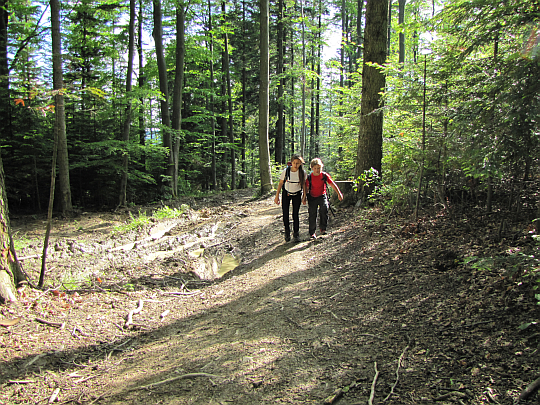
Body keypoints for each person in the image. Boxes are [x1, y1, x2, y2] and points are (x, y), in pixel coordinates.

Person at [304, 158, 343, 239]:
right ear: (312, 168)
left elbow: (332, 184)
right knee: (312, 214)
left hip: (322, 196)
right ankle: (312, 232)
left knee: (324, 209)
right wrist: (304, 197)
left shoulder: (324, 176)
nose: (317, 170)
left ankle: (323, 229)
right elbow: (306, 188)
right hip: (312, 197)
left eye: (319, 168)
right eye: (315, 168)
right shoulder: (309, 177)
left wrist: (339, 193)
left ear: (322, 167)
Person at [274, 154, 307, 242]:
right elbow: (280, 183)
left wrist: (304, 196)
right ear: (291, 162)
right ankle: (287, 231)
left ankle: (296, 233)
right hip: (286, 193)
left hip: (297, 194)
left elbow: (304, 184)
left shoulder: (302, 172)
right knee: (285, 213)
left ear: (301, 163)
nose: (296, 165)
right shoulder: (286, 171)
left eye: (298, 163)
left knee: (295, 214)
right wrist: (277, 196)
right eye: (294, 163)